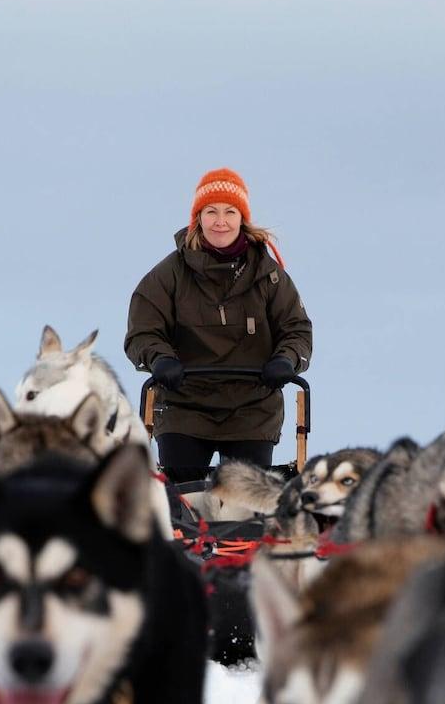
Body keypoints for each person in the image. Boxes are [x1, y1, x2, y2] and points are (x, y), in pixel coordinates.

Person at [124, 168, 313, 484]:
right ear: (198, 217)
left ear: (242, 217)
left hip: (252, 405)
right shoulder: (166, 276)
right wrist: (160, 359)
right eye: (211, 212)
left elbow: (297, 329)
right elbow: (143, 330)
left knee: (248, 494)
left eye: (229, 211)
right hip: (184, 403)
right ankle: (181, 530)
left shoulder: (270, 276)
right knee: (182, 494)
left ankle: (248, 532)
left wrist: (286, 360)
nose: (220, 221)